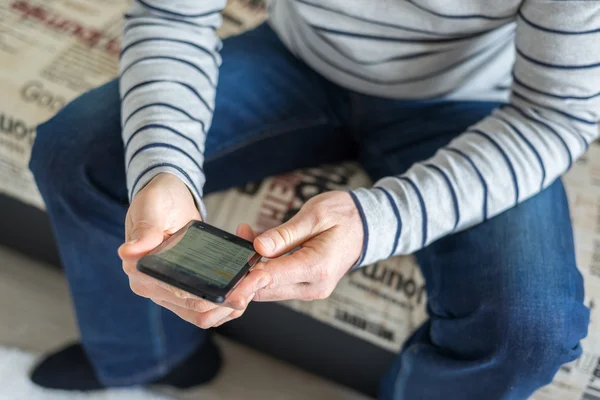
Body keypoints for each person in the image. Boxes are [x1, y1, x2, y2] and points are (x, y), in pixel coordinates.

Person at [27, 0, 598, 399]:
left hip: (473, 107)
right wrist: (162, 169)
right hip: (298, 60)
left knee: (531, 326)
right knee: (74, 155)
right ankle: (153, 358)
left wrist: (378, 221)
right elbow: (173, 12)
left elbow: (557, 113)